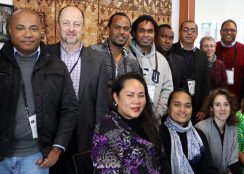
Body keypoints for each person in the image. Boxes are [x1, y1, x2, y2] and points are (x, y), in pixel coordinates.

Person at [0, 9, 78, 174]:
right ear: (10, 30)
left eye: (34, 28)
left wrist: (57, 148)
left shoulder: (57, 66)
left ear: (41, 32)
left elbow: (70, 109)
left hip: (36, 158)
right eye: (21, 28)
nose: (28, 34)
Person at [47, 6, 108, 174]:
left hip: (83, 138)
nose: (71, 29)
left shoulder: (98, 60)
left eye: (76, 24)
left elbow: (101, 106)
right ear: (58, 26)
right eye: (66, 23)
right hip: (51, 138)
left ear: (83, 27)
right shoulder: (45, 55)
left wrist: (99, 142)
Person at [92, 72, 161, 173]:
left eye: (141, 95)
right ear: (116, 97)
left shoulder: (146, 121)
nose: (136, 100)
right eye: (130, 95)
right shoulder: (108, 129)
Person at [160, 88, 218, 174]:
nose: (182, 110)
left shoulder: (199, 135)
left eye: (187, 106)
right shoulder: (158, 134)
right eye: (177, 104)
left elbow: (208, 168)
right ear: (168, 108)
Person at [91, 12, 141, 108]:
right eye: (117, 27)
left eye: (126, 29)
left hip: (123, 117)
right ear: (108, 29)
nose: (122, 32)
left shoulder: (133, 60)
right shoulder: (93, 53)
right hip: (96, 115)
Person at [129, 15, 173, 120]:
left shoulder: (162, 60)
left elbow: (167, 89)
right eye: (142, 31)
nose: (146, 35)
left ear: (154, 34)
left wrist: (157, 114)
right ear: (134, 33)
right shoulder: (125, 56)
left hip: (154, 120)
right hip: (128, 118)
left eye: (150, 31)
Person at [171, 20, 210, 123]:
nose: (189, 33)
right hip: (175, 105)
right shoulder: (171, 50)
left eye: (193, 30)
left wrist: (203, 109)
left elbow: (206, 84)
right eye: (186, 30)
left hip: (196, 108)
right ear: (180, 32)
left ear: (197, 34)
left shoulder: (202, 55)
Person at [195, 89, 242, 174]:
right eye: (217, 105)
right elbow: (203, 165)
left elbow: (233, 160)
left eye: (226, 104)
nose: (222, 109)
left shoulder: (233, 129)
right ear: (211, 108)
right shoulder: (201, 128)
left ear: (230, 107)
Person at [216, 19, 244, 101]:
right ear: (220, 32)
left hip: (240, 97)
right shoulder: (212, 48)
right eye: (226, 30)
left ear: (236, 32)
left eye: (232, 30)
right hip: (217, 97)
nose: (229, 33)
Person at [155, 24, 186, 89]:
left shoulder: (179, 60)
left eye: (171, 38)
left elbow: (183, 86)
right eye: (163, 37)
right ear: (155, 37)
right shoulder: (147, 58)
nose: (167, 41)